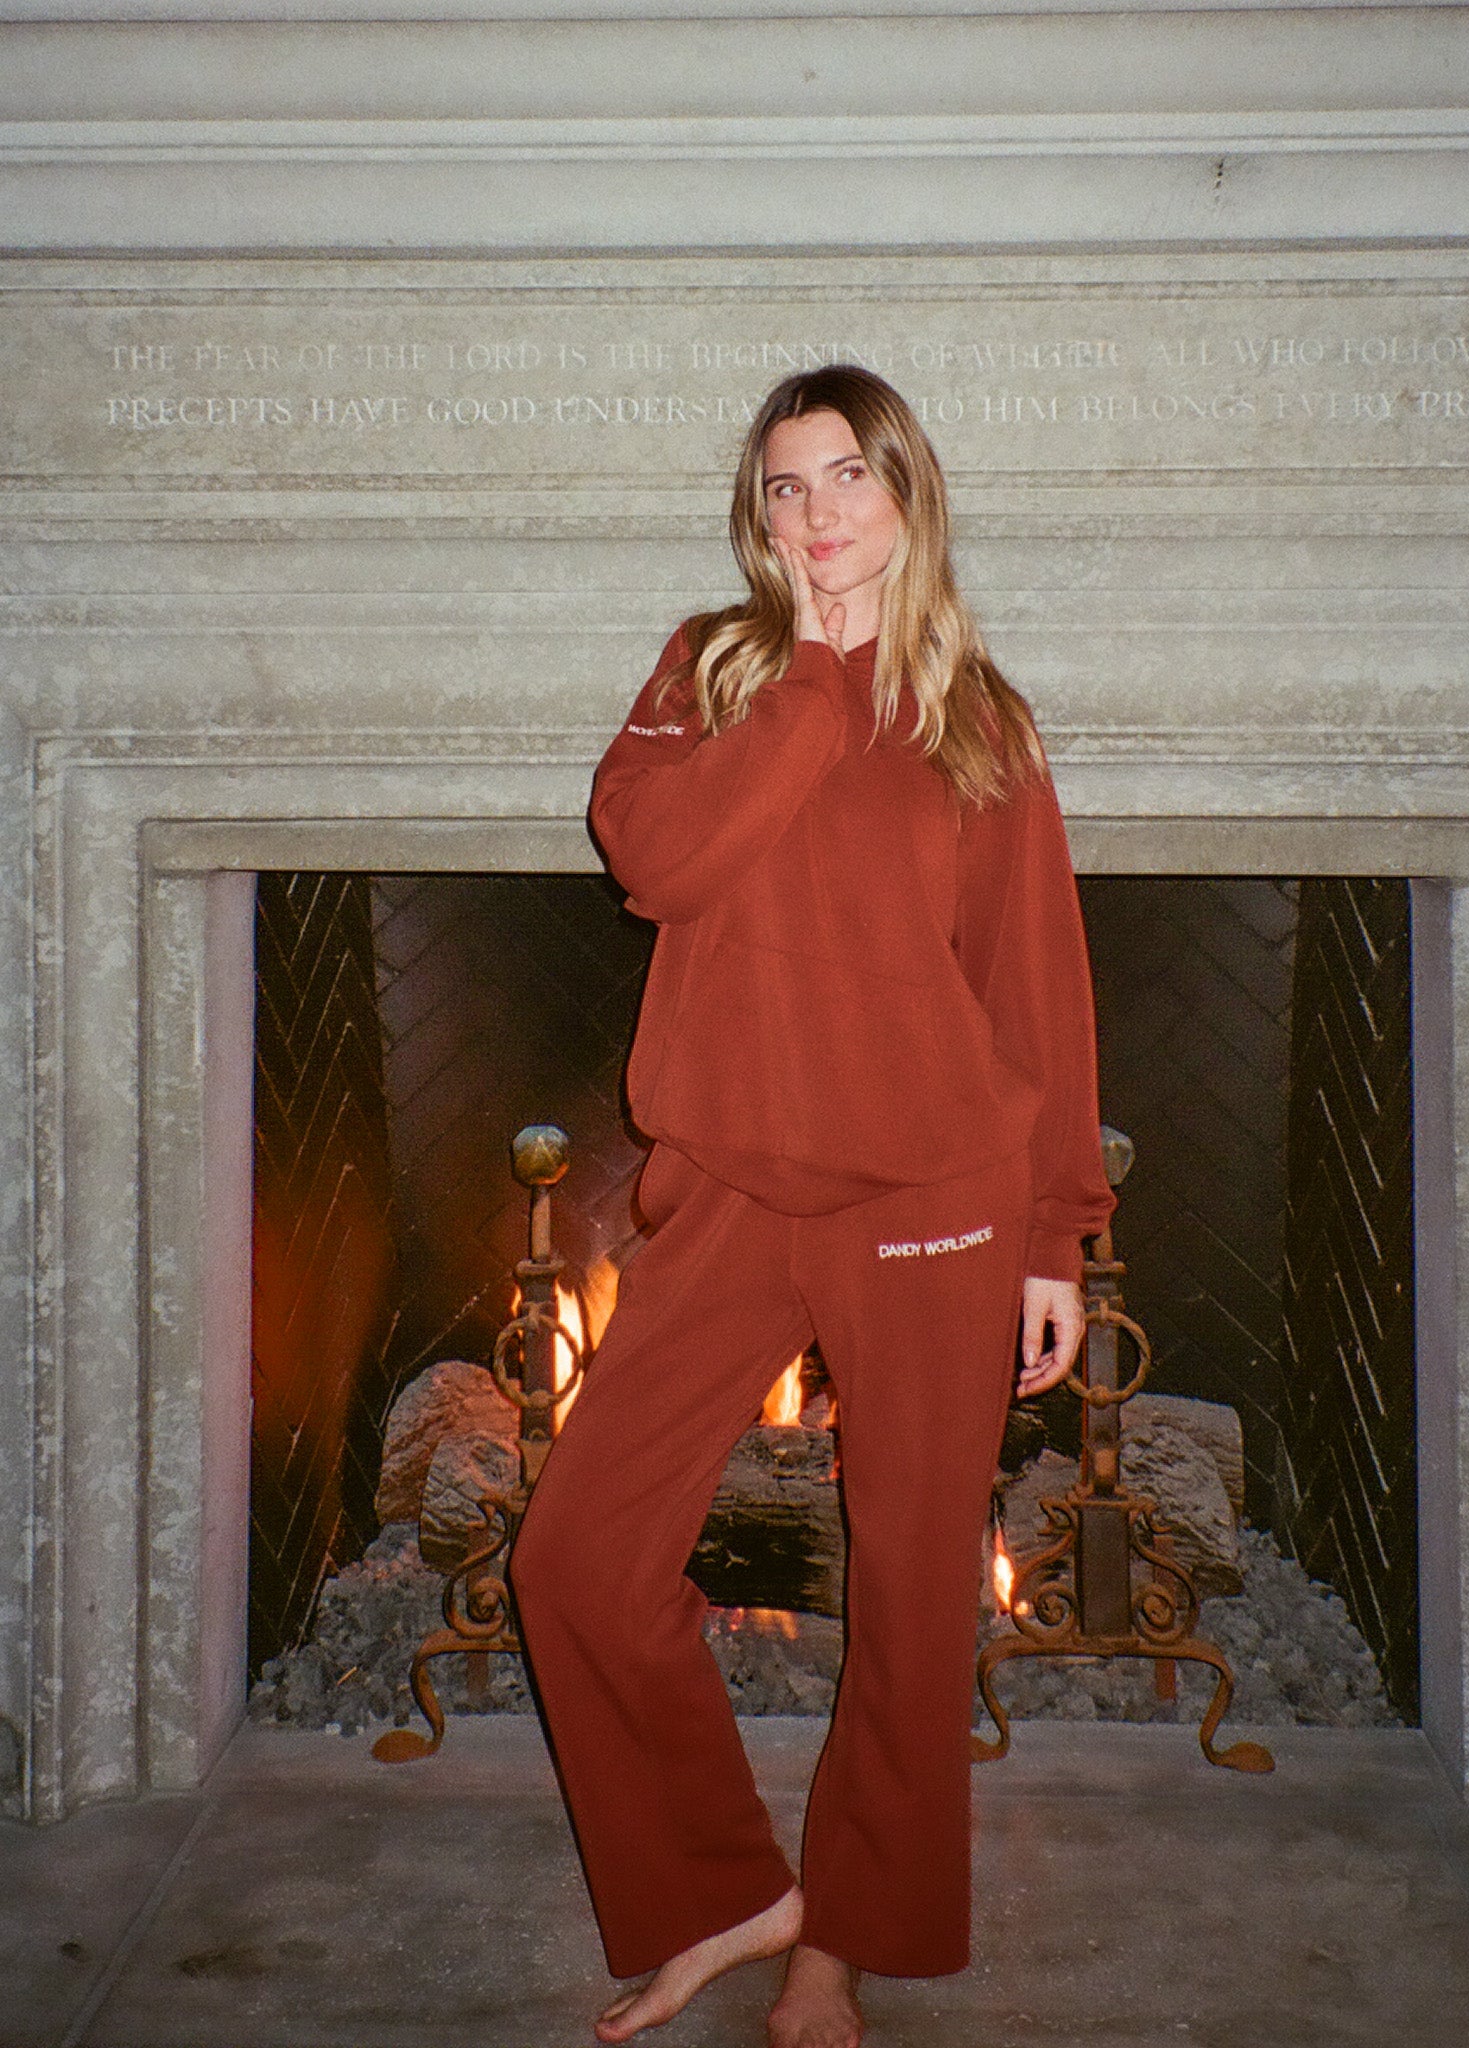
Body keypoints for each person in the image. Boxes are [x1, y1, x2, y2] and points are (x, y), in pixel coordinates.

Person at [511, 366, 1115, 2048]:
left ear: (906, 493)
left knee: (916, 1595)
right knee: (574, 1561)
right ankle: (728, 1896)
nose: (815, 511)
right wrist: (808, 684)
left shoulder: (980, 722)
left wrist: (1051, 1235)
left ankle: (842, 1944)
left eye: (847, 475)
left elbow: (1034, 994)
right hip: (728, 1196)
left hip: (931, 1199)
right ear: (756, 517)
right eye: (783, 487)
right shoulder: (711, 672)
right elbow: (657, 860)